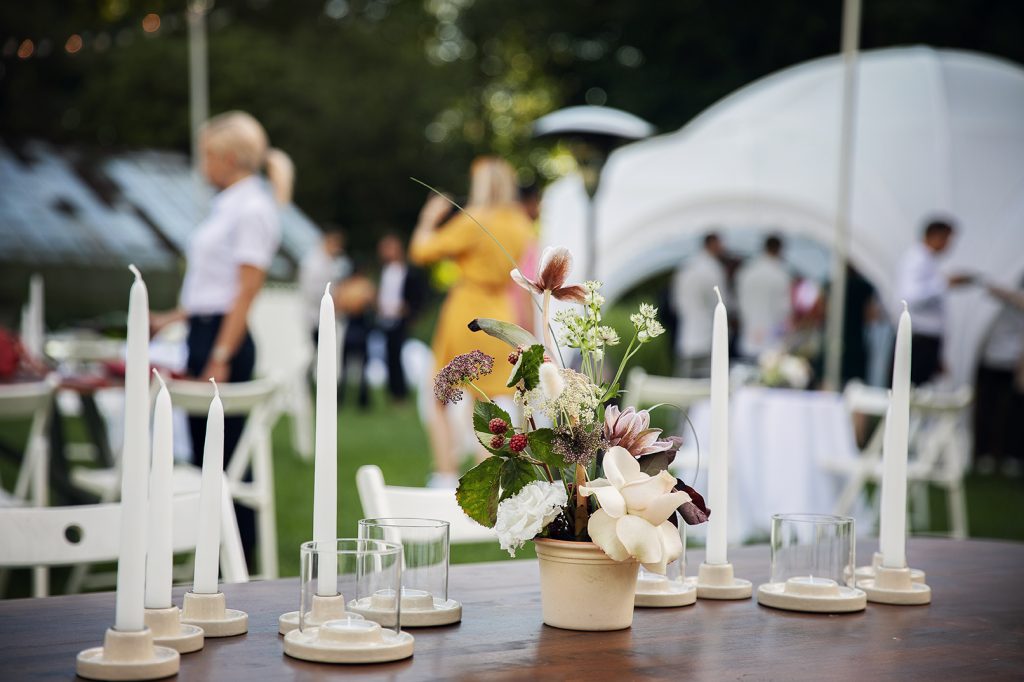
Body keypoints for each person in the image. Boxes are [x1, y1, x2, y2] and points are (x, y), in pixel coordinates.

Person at [150, 110, 292, 569]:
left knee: (224, 454)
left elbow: (245, 290)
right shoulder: (230, 205)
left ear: (229, 158)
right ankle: (212, 550)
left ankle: (235, 554)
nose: (202, 165)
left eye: (207, 155)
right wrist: (171, 318)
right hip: (205, 329)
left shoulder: (252, 208)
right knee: (207, 451)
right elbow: (214, 290)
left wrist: (220, 353)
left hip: (222, 339)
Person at [410, 156, 533, 488]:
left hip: (466, 312)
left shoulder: (474, 220)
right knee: (489, 402)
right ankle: (484, 479)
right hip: (500, 314)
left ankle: (446, 473)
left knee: (438, 394)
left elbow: (421, 252)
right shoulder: (521, 223)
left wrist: (428, 219)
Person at [894, 219, 973, 385]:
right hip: (918, 340)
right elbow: (909, 297)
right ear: (934, 236)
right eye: (947, 239)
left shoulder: (928, 261)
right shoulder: (916, 259)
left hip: (926, 340)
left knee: (921, 390)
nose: (949, 245)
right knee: (911, 390)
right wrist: (944, 283)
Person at [974, 276, 1024, 476]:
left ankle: (1006, 455)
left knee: (1007, 412)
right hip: (990, 359)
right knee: (987, 408)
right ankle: (984, 453)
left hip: (1010, 362)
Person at [376, 234, 425, 402]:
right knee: (389, 355)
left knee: (398, 355)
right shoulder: (385, 271)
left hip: (400, 319)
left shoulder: (408, 271)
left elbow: (417, 295)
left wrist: (410, 311)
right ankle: (393, 391)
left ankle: (400, 392)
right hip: (385, 318)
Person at [671, 233, 729, 378]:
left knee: (684, 382)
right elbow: (721, 302)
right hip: (707, 336)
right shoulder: (713, 269)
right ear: (712, 244)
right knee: (707, 381)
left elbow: (676, 303)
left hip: (686, 337)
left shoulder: (686, 267)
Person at [735, 234, 792, 360]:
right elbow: (784, 309)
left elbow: (740, 304)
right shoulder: (780, 275)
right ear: (779, 250)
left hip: (749, 337)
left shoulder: (747, 272)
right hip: (771, 342)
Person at [299, 226, 352, 346]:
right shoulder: (312, 263)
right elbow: (311, 292)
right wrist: (336, 299)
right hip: (316, 317)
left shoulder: (332, 262)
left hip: (328, 315)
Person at [334, 264, 376, 409]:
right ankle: (361, 400)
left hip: (354, 326)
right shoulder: (365, 286)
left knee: (346, 366)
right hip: (358, 327)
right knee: (361, 366)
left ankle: (345, 398)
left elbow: (340, 305)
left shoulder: (346, 287)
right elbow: (371, 304)